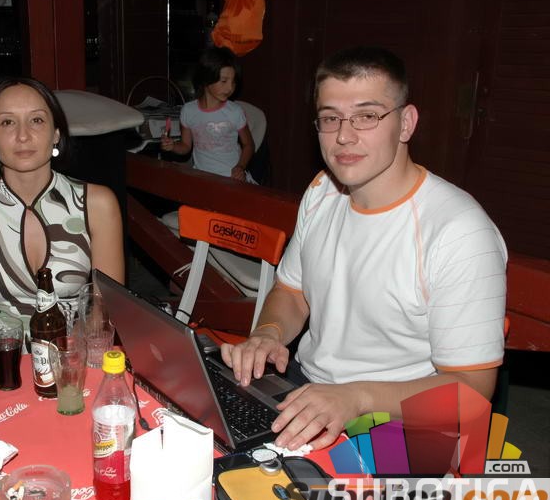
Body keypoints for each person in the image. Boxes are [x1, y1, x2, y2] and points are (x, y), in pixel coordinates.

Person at [221, 46, 507, 450]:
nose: (343, 135)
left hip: (402, 423)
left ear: (406, 123)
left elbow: (472, 391)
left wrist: (355, 398)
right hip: (308, 388)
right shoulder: (322, 191)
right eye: (330, 118)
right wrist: (269, 333)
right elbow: (292, 291)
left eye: (367, 116)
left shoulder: (459, 232)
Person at [0, 77, 125, 354]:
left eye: (37, 120)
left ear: (56, 134)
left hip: (71, 359)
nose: (23, 135)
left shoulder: (97, 204)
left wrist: (74, 364)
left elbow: (105, 306)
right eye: (8, 122)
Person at [160, 47, 256, 183]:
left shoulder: (235, 112)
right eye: (224, 81)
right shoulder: (188, 111)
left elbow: (249, 145)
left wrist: (240, 167)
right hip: (202, 177)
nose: (230, 88)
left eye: (233, 82)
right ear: (206, 79)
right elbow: (185, 146)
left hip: (232, 178)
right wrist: (173, 146)